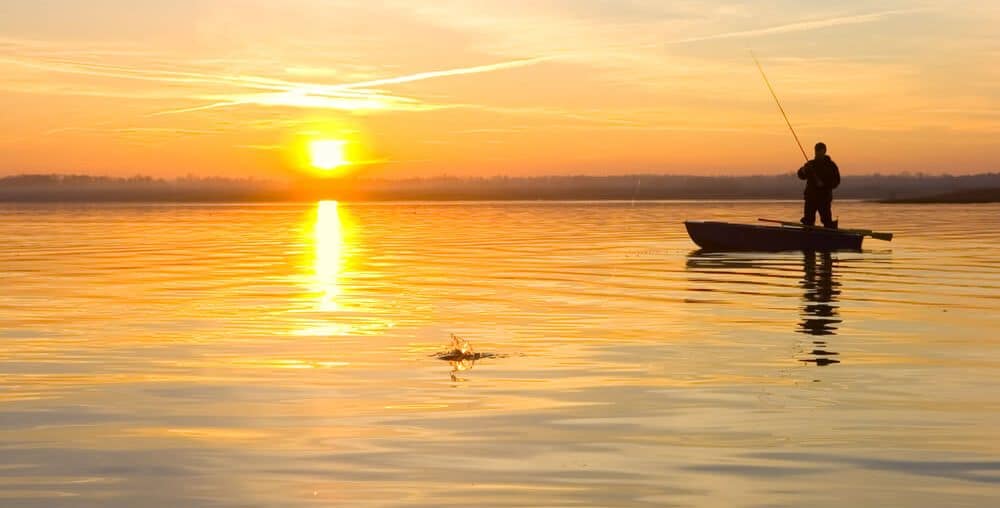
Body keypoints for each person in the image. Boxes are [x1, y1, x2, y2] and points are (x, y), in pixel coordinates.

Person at [797, 142, 840, 228]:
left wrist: (824, 185)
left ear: (824, 151)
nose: (817, 153)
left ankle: (830, 236)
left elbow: (836, 181)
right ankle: (807, 236)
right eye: (816, 151)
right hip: (810, 197)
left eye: (819, 151)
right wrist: (802, 171)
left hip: (824, 198)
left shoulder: (831, 165)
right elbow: (801, 176)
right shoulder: (810, 164)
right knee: (808, 221)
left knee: (827, 221)